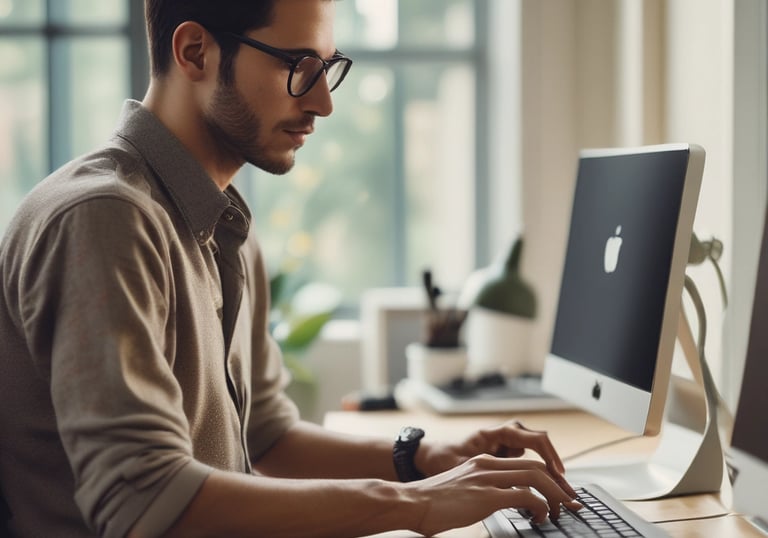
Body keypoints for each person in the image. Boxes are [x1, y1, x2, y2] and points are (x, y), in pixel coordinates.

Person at [0, 1, 582, 536]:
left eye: (329, 67)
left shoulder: (222, 226)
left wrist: (426, 459)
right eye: (299, 66)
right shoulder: (103, 218)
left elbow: (267, 437)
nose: (323, 100)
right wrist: (418, 503)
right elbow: (145, 500)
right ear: (195, 52)